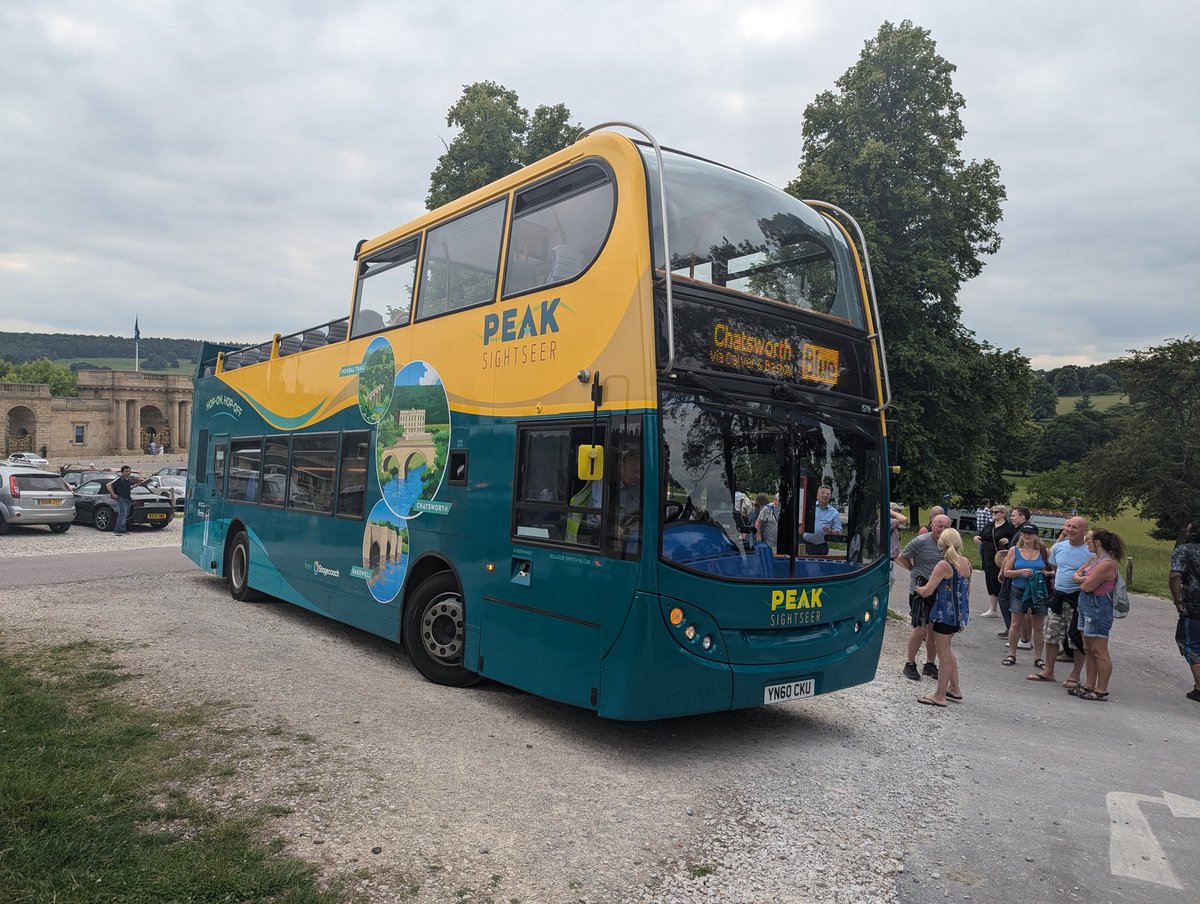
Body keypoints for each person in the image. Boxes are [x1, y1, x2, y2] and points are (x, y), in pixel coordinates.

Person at [913, 527, 971, 706]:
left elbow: (927, 590)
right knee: (948, 650)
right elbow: (967, 591)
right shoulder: (966, 562)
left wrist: (918, 588)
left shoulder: (944, 565)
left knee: (943, 654)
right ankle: (955, 688)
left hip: (943, 614)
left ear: (941, 544)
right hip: (958, 614)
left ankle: (939, 695)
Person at [1035, 517, 1091, 687]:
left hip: (1077, 599)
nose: (1069, 529)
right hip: (1058, 597)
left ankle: (1075, 676)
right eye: (1067, 526)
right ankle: (1048, 671)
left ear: (1083, 531)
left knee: (1076, 639)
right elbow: (1056, 569)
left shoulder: (1090, 551)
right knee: (1051, 635)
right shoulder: (1059, 548)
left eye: (1074, 527)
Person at [896, 513, 952, 681]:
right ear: (932, 524)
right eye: (938, 526)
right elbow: (901, 556)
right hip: (920, 591)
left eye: (945, 527)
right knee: (920, 628)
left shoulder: (950, 542)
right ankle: (910, 663)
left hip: (941, 591)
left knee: (934, 629)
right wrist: (912, 569)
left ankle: (929, 663)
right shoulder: (921, 541)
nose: (942, 530)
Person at [1071, 527, 1124, 701]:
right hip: (1085, 606)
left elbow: (1086, 586)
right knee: (1088, 649)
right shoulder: (1094, 559)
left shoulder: (1107, 563)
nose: (1086, 541)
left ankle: (1101, 689)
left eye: (1089, 539)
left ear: (1098, 542)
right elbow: (1076, 575)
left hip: (1098, 608)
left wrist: (1083, 579)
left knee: (1099, 650)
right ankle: (1089, 684)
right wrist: (1083, 578)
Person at [999, 524, 1051, 671]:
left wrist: (1043, 574)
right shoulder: (1014, 550)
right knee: (1015, 623)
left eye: (1030, 533)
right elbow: (1006, 572)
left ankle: (1038, 657)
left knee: (1039, 625)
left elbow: (1054, 572)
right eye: (1024, 533)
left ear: (1036, 535)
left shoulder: (1044, 552)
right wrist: (1020, 572)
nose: (1027, 536)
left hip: (1038, 591)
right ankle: (1012, 654)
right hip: (1019, 589)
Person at [1168, 518, 1200, 703]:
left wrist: (1178, 601)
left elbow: (1175, 576)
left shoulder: (1184, 550)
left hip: (1194, 605)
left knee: (1192, 645)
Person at [997, 507, 1034, 642]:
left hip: (1014, 572)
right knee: (1025, 607)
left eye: (1013, 515)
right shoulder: (1023, 531)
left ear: (1022, 517)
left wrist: (1002, 571)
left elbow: (1012, 553)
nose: (1011, 518)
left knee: (1005, 599)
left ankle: (1013, 629)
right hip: (1021, 572)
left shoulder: (1022, 533)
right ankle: (1024, 634)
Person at [973, 504, 1014, 618]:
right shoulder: (989, 525)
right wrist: (977, 538)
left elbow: (1015, 539)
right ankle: (993, 608)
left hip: (1001, 558)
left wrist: (1008, 540)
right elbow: (981, 535)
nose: (993, 514)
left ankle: (1007, 608)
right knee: (989, 580)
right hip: (987, 556)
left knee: (999, 581)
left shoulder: (1008, 527)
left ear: (1003, 514)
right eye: (992, 512)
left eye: (996, 512)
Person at [802, 485, 842, 554]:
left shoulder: (834, 513)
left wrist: (830, 531)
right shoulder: (808, 508)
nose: (825, 495)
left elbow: (839, 531)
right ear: (817, 496)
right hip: (805, 545)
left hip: (822, 547)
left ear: (830, 497)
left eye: (828, 494)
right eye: (822, 493)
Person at [106, 465, 141, 535]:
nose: (128, 473)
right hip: (121, 499)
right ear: (122, 472)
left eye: (129, 471)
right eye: (126, 471)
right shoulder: (119, 478)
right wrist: (113, 494)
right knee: (122, 514)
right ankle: (117, 530)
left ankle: (123, 529)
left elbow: (127, 488)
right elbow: (108, 485)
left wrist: (134, 486)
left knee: (125, 515)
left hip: (128, 499)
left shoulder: (129, 480)